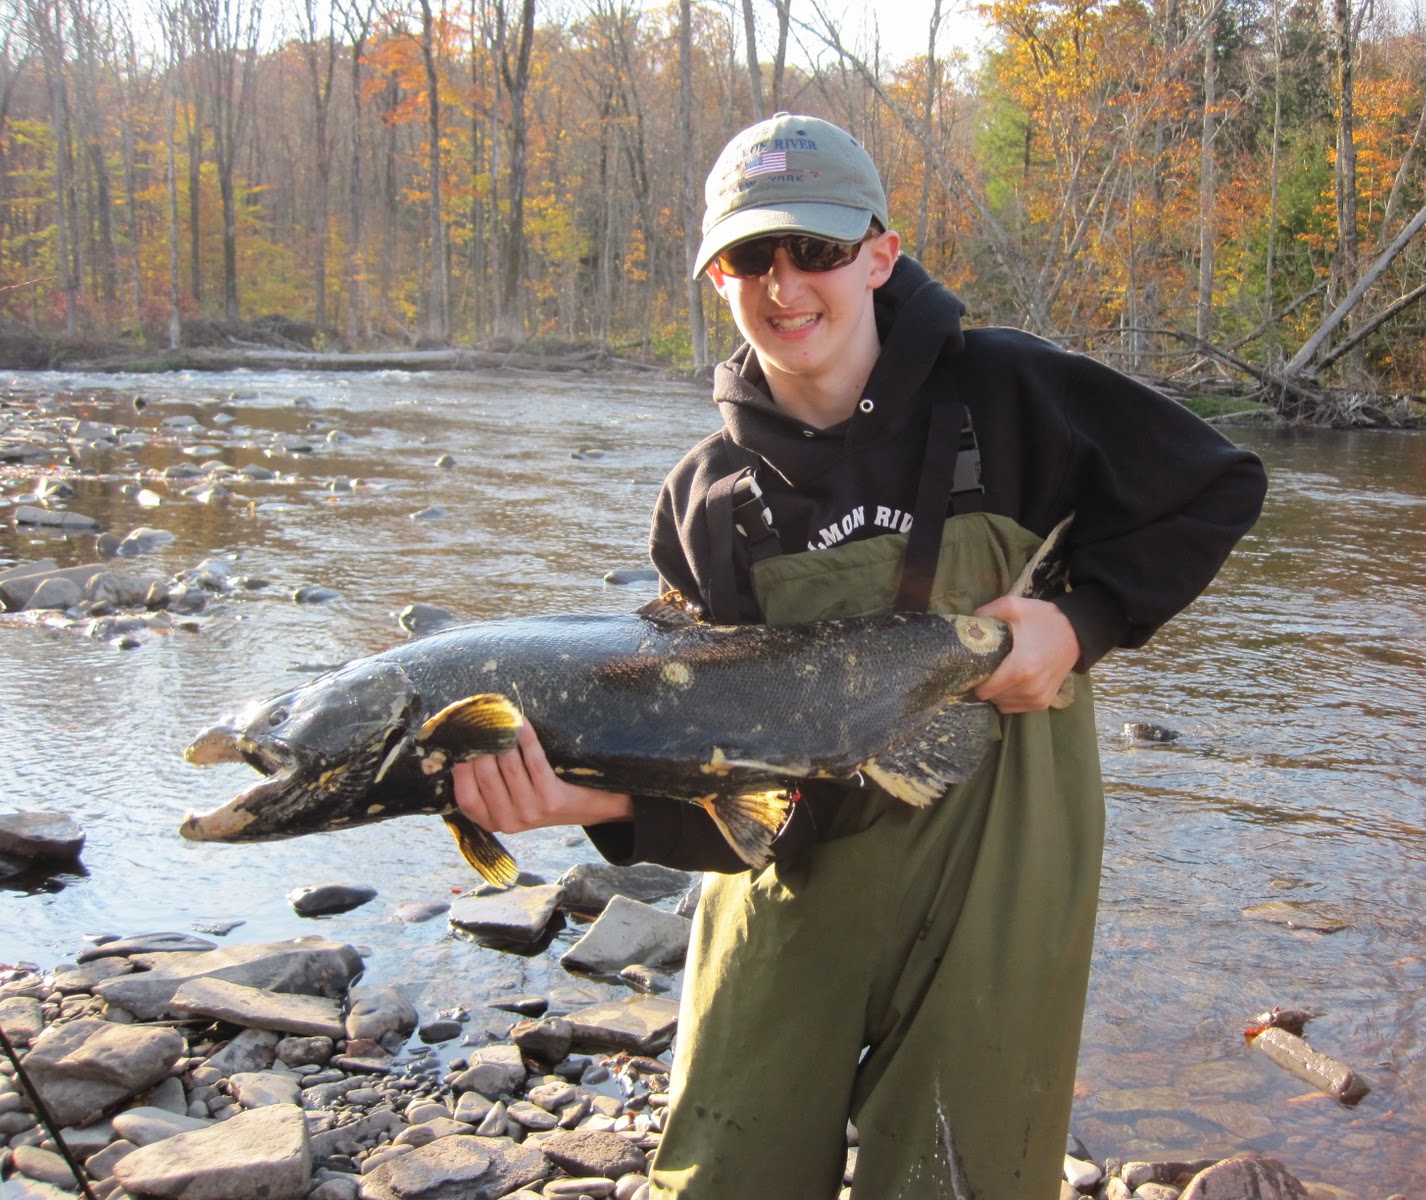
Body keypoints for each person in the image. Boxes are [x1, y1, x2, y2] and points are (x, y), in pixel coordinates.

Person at [454, 113, 1268, 1199]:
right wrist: (593, 806)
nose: (785, 286)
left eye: (818, 251)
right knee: (720, 1174)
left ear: (880, 254)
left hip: (1001, 865)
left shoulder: (1013, 397)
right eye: (750, 257)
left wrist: (1083, 622)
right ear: (716, 277)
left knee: (955, 1176)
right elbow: (741, 786)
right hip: (796, 875)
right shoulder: (705, 504)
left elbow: (1215, 486)